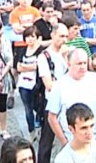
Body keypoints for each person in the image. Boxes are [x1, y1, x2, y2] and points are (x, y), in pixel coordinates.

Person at [46, 48, 96, 146]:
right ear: (69, 64)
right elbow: (52, 117)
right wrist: (64, 141)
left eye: (84, 63)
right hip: (72, 140)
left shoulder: (94, 79)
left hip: (95, 137)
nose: (83, 67)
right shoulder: (59, 85)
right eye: (79, 63)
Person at [36, 24, 70, 163]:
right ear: (53, 35)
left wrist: (66, 58)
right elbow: (49, 85)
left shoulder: (65, 54)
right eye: (61, 36)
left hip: (68, 101)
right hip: (52, 103)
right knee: (47, 141)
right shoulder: (44, 56)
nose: (64, 40)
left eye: (66, 36)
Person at [15, 26, 45, 141]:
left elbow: (38, 66)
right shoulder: (22, 50)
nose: (30, 39)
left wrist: (25, 67)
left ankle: (42, 129)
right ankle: (31, 131)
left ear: (38, 37)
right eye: (27, 37)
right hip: (23, 84)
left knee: (39, 108)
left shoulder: (42, 51)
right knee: (28, 109)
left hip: (37, 85)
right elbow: (18, 67)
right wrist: (29, 67)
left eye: (32, 36)